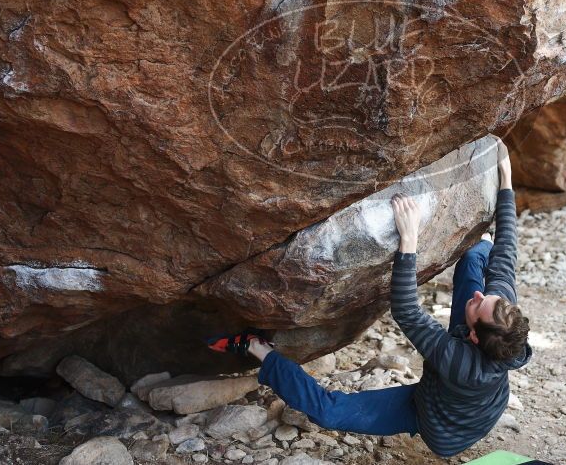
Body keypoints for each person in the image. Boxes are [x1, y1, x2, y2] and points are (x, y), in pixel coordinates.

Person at [208, 137, 532, 458]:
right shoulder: (503, 317)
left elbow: (406, 310)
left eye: (477, 305)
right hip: (458, 389)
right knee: (478, 257)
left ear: (473, 335)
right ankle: (479, 243)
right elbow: (508, 248)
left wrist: (409, 239)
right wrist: (505, 179)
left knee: (329, 412)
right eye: (486, 298)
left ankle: (258, 349)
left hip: (435, 421)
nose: (477, 296)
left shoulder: (459, 361)